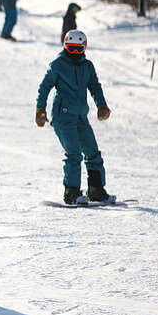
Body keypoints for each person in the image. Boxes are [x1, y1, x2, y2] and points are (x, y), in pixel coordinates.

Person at [35, 30, 113, 205]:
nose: (75, 53)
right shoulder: (57, 65)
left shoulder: (87, 66)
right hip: (63, 117)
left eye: (79, 49)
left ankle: (96, 190)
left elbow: (95, 86)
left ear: (85, 48)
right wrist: (40, 110)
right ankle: (71, 193)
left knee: (93, 153)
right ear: (65, 46)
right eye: (71, 48)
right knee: (74, 154)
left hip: (80, 116)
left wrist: (102, 105)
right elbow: (44, 87)